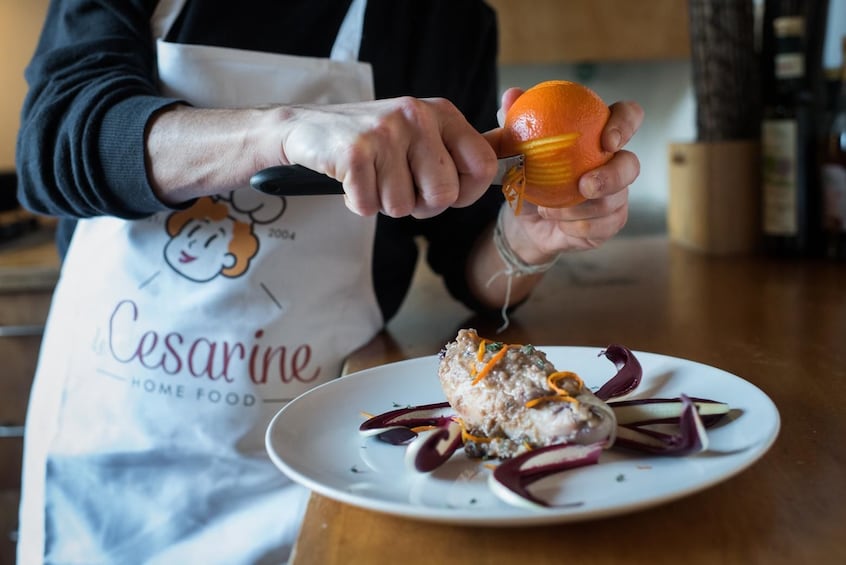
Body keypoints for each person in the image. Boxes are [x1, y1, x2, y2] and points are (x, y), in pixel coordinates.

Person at [15, 0, 643, 563]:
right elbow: (55, 141)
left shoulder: (444, 18)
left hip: (320, 457)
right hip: (110, 449)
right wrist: (280, 132)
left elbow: (470, 266)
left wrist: (528, 239)